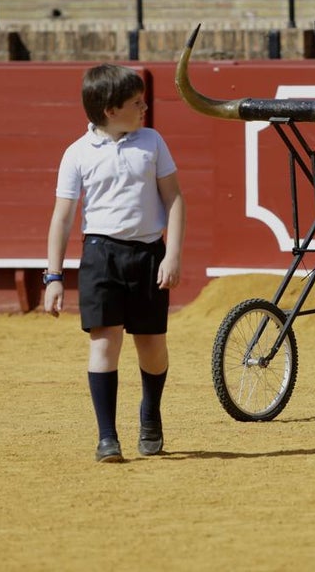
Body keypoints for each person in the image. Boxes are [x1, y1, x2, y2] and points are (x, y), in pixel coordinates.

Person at [44, 64, 186, 463]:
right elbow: (62, 217)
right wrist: (54, 276)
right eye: (136, 102)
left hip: (148, 255)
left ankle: (150, 412)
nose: (145, 107)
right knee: (104, 344)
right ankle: (107, 437)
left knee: (152, 348)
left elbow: (174, 198)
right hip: (100, 256)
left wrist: (172, 253)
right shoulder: (76, 153)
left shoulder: (152, 141)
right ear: (110, 109)